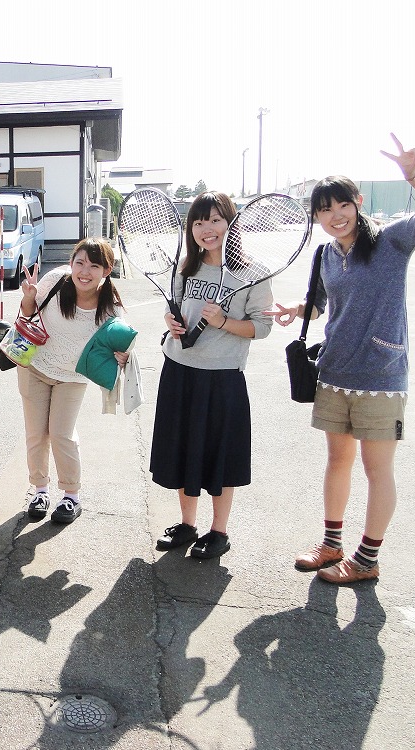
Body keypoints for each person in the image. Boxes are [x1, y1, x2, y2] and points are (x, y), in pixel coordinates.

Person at [269, 134, 415, 584]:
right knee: (337, 461)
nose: (336, 216)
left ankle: (367, 560)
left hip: (381, 374)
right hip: (334, 373)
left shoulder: (391, 242)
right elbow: (323, 304)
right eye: (325, 210)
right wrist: (300, 310)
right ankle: (331, 544)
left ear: (358, 202)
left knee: (377, 468)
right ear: (316, 217)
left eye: (342, 205)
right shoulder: (327, 256)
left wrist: (413, 173)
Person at [150, 192, 273, 559]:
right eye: (199, 221)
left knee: (219, 456)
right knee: (182, 451)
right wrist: (171, 323)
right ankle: (187, 526)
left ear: (231, 223)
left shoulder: (252, 272)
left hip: (222, 377)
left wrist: (224, 322)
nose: (207, 229)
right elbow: (174, 310)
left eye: (216, 219)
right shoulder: (185, 267)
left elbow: (262, 328)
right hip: (179, 370)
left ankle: (218, 532)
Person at [18, 238, 129, 525]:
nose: (85, 271)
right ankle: (39, 491)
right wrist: (29, 295)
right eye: (79, 262)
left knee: (61, 434)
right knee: (36, 433)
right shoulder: (55, 281)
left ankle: (71, 496)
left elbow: (119, 348)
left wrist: (121, 356)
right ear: (71, 263)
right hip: (35, 367)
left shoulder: (111, 308)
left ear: (106, 270)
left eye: (94, 266)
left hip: (73, 376)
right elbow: (28, 314)